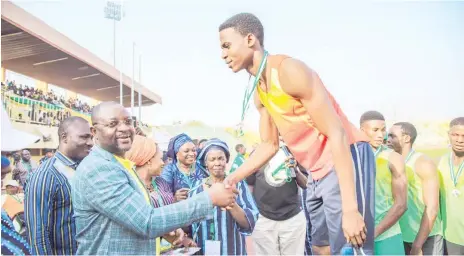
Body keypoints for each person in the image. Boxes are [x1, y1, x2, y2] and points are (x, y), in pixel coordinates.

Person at [218, 13, 375, 254]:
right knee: (320, 247)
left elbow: (337, 133)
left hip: (344, 157)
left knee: (352, 247)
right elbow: (269, 145)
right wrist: (233, 178)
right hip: (316, 173)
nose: (223, 55)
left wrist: (351, 209)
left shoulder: (288, 71)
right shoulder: (260, 92)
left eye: (227, 46)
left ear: (250, 39)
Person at [71, 102, 238, 255]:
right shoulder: (99, 168)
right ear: (94, 132)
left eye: (128, 122)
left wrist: (165, 230)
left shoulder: (120, 165)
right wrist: (209, 199)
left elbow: (130, 217)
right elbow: (147, 221)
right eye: (113, 124)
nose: (124, 128)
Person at [25, 116, 94, 255]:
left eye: (91, 137)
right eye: (84, 137)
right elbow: (38, 236)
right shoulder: (45, 175)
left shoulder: (84, 169)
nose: (90, 143)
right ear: (64, 137)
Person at [125, 135, 196, 254]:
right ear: (148, 160)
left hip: (166, 248)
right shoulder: (128, 187)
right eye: (159, 159)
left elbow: (167, 212)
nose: (163, 163)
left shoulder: (160, 182)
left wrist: (180, 240)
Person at [189, 138, 259, 255]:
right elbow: (189, 220)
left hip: (232, 250)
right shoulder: (196, 187)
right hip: (203, 249)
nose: (217, 163)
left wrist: (231, 203)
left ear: (226, 160)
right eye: (212, 159)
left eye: (221, 158)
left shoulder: (238, 183)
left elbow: (250, 222)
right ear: (206, 163)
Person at [245, 138, 308, 255]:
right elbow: (249, 184)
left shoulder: (293, 152)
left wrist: (295, 170)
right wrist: (255, 214)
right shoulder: (257, 154)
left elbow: (306, 184)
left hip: (292, 219)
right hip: (263, 219)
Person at [388, 122, 443, 255]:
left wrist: (418, 244)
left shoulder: (422, 163)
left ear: (406, 138)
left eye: (392, 136)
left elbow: (432, 208)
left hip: (425, 237)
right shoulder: (392, 161)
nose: (387, 140)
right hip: (400, 235)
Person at [359, 111, 407, 255]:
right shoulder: (352, 156)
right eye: (375, 130)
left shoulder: (393, 158)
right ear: (362, 130)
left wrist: (373, 234)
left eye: (383, 129)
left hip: (387, 236)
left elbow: (401, 205)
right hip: (357, 235)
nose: (381, 135)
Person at [437, 117, 464, 255]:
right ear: (449, 135)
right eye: (455, 135)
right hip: (448, 234)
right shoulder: (442, 161)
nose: (460, 140)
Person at [162, 134, 208, 202]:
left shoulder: (200, 167)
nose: (192, 154)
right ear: (177, 154)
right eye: (186, 151)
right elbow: (163, 196)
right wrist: (174, 198)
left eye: (193, 150)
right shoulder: (169, 170)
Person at [2, 156, 31, 255]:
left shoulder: (23, 195)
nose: (10, 189)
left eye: (12, 187)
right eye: (8, 187)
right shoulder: (3, 197)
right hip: (15, 223)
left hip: (26, 222)